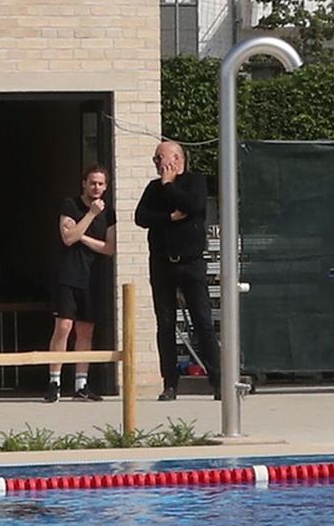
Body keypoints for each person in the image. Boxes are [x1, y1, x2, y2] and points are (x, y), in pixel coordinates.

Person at [132, 139, 222, 401]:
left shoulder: (195, 182)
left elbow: (194, 207)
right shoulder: (153, 188)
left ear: (177, 159)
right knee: (166, 323)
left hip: (190, 262)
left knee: (202, 321)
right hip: (161, 262)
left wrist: (170, 185)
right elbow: (141, 217)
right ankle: (170, 382)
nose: (159, 164)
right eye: (156, 160)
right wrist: (168, 217)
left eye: (162, 158)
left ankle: (217, 380)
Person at [50, 165, 119, 401]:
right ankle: (54, 381)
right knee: (64, 327)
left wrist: (83, 236)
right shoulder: (71, 205)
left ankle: (81, 384)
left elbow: (109, 248)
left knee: (85, 330)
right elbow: (68, 238)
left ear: (106, 186)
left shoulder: (109, 212)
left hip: (94, 276)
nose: (96, 187)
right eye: (92, 183)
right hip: (69, 273)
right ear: (84, 183)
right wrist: (90, 214)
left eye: (100, 184)